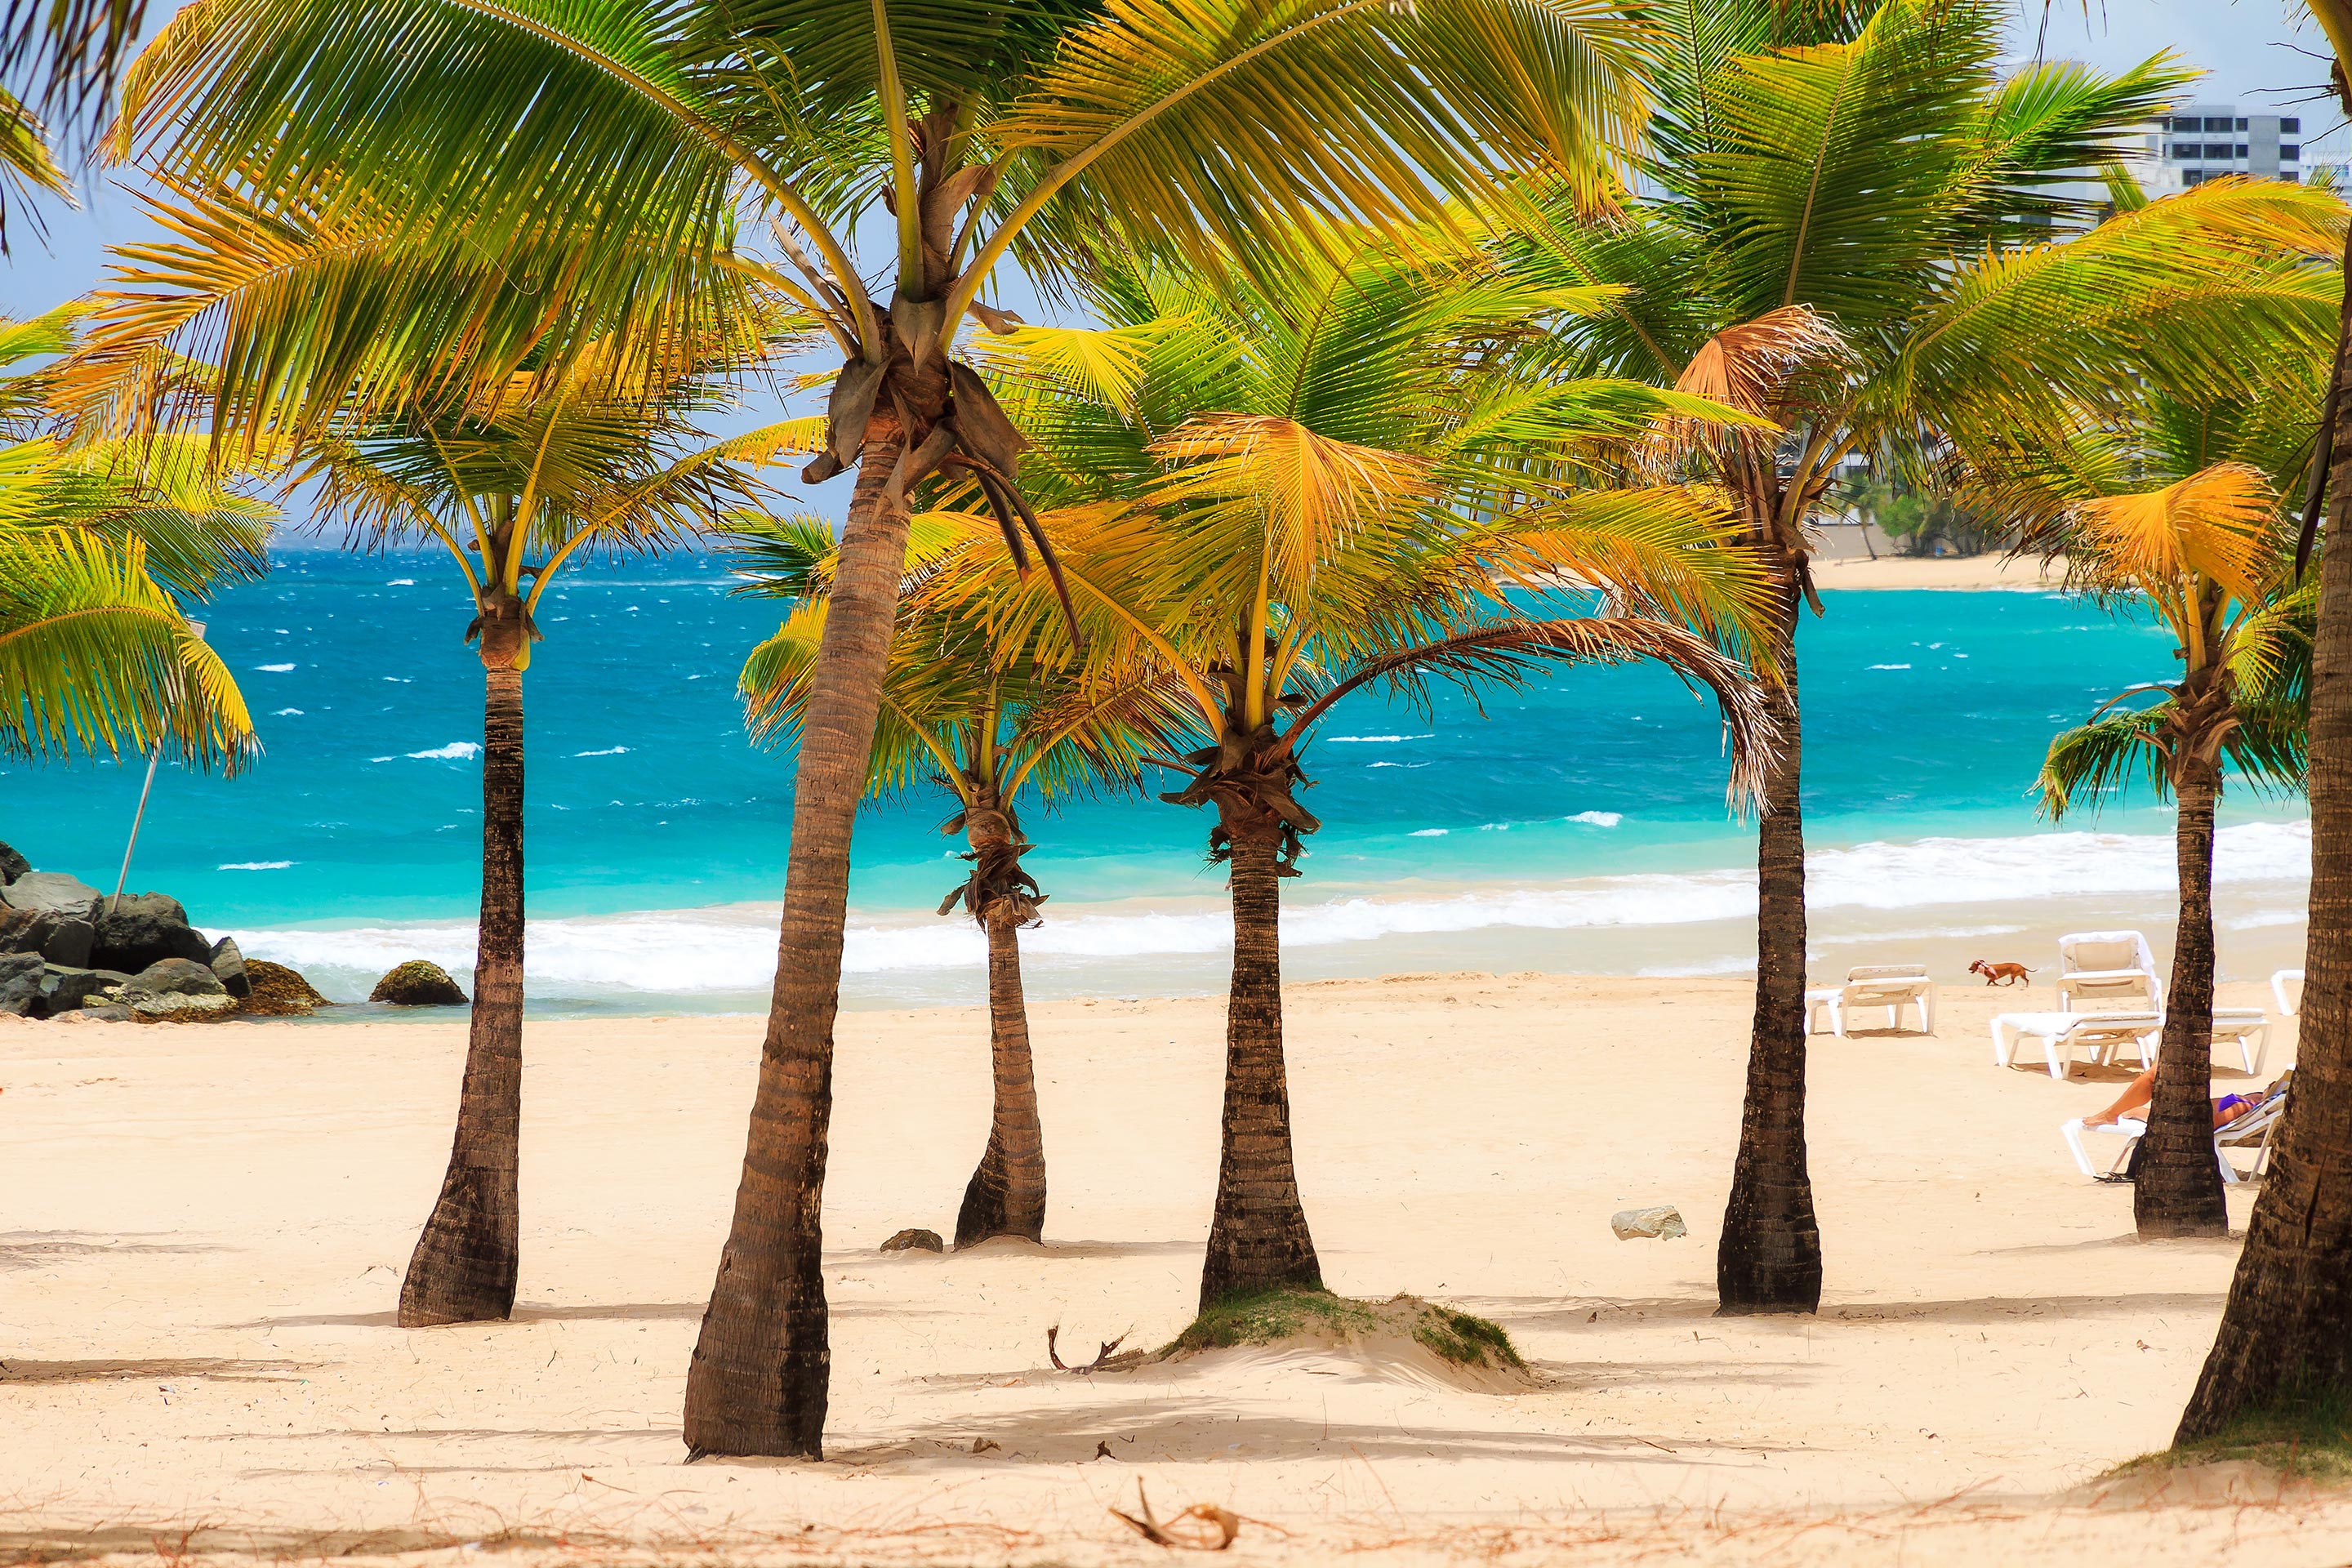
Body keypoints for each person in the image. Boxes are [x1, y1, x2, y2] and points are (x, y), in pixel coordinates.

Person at [2083, 1066, 2288, 1129]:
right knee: (2155, 1074)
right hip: (2250, 1101)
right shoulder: (2251, 1101)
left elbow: (2196, 1121)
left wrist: (2142, 1113)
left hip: (2244, 1106)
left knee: (2155, 1074)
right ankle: (2112, 1113)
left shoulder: (2247, 1105)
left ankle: (2113, 1113)